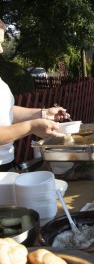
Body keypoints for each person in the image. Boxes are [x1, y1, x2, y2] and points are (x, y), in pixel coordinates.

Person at [0, 20, 69, 171]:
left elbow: (6, 111)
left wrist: (43, 114)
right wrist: (32, 126)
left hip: (6, 163)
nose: (1, 50)